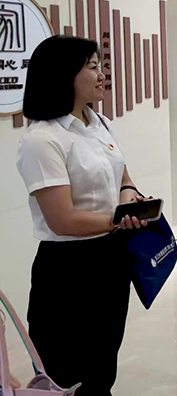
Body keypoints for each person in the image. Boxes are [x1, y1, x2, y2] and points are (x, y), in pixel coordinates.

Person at [16, 35, 149, 396]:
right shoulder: (42, 139)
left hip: (111, 257)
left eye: (100, 65)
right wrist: (121, 220)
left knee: (102, 364)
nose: (102, 74)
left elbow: (124, 177)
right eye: (92, 67)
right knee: (67, 372)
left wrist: (130, 198)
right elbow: (63, 220)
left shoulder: (99, 122)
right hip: (68, 269)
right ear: (63, 76)